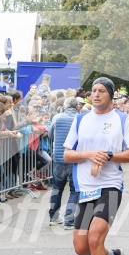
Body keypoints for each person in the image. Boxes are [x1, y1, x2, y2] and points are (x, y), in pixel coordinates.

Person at [64, 77, 129, 255]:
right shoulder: (80, 119)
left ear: (111, 94)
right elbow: (67, 154)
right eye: (93, 91)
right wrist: (88, 155)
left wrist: (107, 156)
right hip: (84, 188)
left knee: (95, 238)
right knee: (81, 247)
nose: (95, 95)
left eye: (101, 91)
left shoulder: (122, 119)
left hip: (109, 186)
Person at [49, 97, 80, 229]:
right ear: (77, 106)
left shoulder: (57, 117)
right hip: (74, 158)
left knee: (57, 188)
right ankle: (69, 220)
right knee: (74, 190)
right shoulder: (81, 118)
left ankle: (54, 217)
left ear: (65, 106)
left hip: (59, 157)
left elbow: (50, 135)